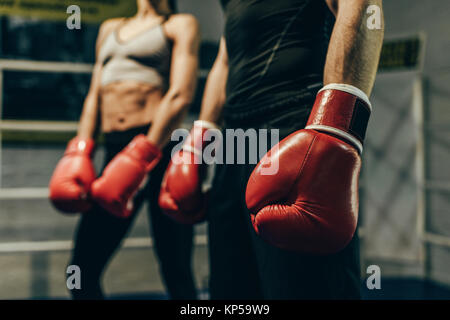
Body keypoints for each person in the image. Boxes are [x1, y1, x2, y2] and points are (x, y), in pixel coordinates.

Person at [159, 0, 384, 299]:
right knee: (230, 290)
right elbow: (226, 57)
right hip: (234, 139)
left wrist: (334, 128)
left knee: (305, 287)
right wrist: (199, 140)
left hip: (293, 124)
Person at [49, 0, 200, 299]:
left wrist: (143, 153)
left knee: (176, 268)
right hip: (115, 150)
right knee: (81, 269)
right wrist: (79, 150)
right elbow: (95, 95)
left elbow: (180, 95)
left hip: (159, 149)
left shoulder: (179, 24)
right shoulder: (110, 28)